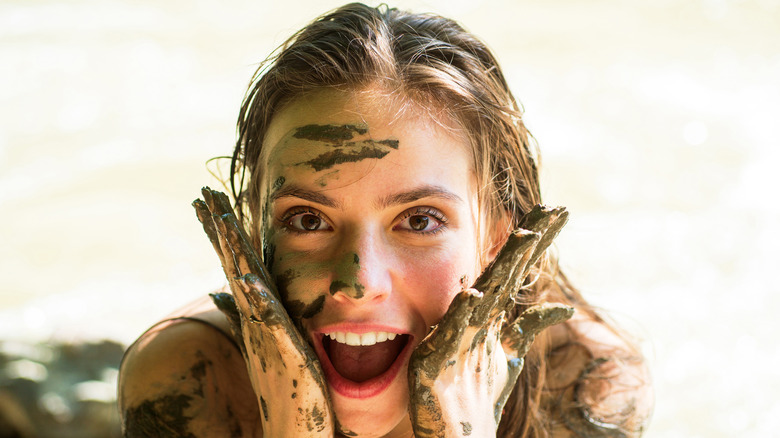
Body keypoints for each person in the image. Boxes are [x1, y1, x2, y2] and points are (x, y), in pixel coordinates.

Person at [117, 3, 653, 437]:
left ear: (497, 239)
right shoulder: (191, 378)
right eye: (307, 220)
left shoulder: (582, 382)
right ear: (255, 235)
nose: (359, 282)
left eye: (419, 221)